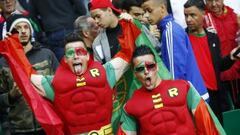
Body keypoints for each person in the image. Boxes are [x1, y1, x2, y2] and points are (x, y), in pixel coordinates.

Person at [29, 28, 139, 134]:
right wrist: (12, 46)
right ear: (66, 59)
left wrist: (128, 23)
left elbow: (126, 53)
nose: (76, 56)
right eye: (70, 53)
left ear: (87, 56)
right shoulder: (54, 83)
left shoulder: (106, 72)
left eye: (80, 52)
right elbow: (25, 75)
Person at [89, 0, 171, 132]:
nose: (96, 21)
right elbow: (104, 72)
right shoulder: (97, 42)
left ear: (109, 10)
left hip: (147, 85)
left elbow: (154, 49)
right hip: (125, 95)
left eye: (98, 16)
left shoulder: (132, 24)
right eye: (93, 18)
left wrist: (134, 23)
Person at [118, 45, 226, 135]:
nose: (146, 72)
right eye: (140, 69)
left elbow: (207, 123)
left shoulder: (184, 87)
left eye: (150, 66)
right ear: (135, 73)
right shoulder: (130, 106)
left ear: (157, 67)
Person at [0, 15, 59, 135]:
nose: (23, 31)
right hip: (20, 129)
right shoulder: (3, 62)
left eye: (26, 27)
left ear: (31, 31)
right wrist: (11, 95)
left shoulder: (47, 54)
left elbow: (62, 84)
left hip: (50, 124)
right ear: (9, 33)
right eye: (18, 28)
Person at [184, 0, 240, 124]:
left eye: (192, 15)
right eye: (186, 15)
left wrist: (232, 57)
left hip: (215, 93)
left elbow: (218, 65)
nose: (188, 19)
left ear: (203, 14)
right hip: (196, 94)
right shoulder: (183, 37)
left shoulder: (212, 37)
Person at [141, 0, 209, 101]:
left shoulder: (170, 31)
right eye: (144, 12)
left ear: (163, 8)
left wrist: (173, 101)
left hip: (191, 99)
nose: (146, 15)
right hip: (194, 94)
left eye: (149, 10)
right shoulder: (171, 28)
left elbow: (175, 74)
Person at [205, 0, 240, 109]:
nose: (214, 4)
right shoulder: (202, 20)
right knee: (226, 111)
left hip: (237, 73)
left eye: (217, 0)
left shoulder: (235, 17)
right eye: (210, 1)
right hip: (218, 76)